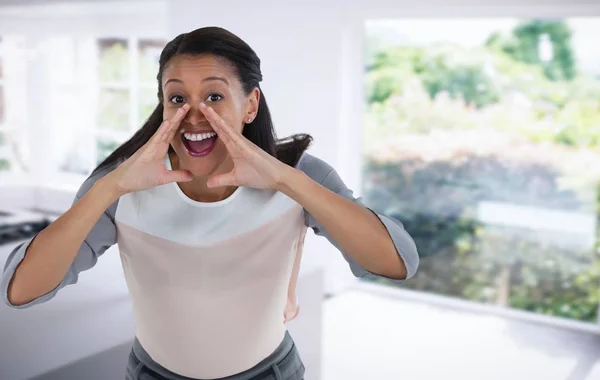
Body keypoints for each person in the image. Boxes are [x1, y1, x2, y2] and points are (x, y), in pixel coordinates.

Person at [1, 27, 419, 380]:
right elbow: (21, 290)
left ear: (250, 104)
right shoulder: (120, 180)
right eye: (178, 98)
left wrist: (284, 180)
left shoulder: (297, 175)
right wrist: (108, 190)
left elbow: (396, 262)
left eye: (215, 97)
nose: (195, 115)